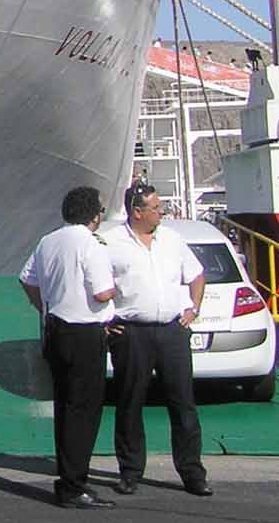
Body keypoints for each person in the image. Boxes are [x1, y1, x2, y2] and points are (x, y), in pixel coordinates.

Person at [106, 183, 212, 498]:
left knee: (183, 403)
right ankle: (130, 472)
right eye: (155, 207)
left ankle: (192, 473)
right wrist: (107, 320)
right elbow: (95, 281)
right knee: (130, 402)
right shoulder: (111, 242)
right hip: (132, 332)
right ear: (137, 211)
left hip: (171, 330)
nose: (161, 212)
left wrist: (194, 308)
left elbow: (196, 274)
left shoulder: (172, 239)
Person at [20, 186, 117, 509]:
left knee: (65, 407)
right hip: (85, 332)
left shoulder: (48, 241)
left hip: (55, 329)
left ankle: (68, 478)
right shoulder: (90, 244)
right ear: (94, 215)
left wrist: (46, 308)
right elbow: (102, 292)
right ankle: (75, 485)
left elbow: (27, 279)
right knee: (85, 411)